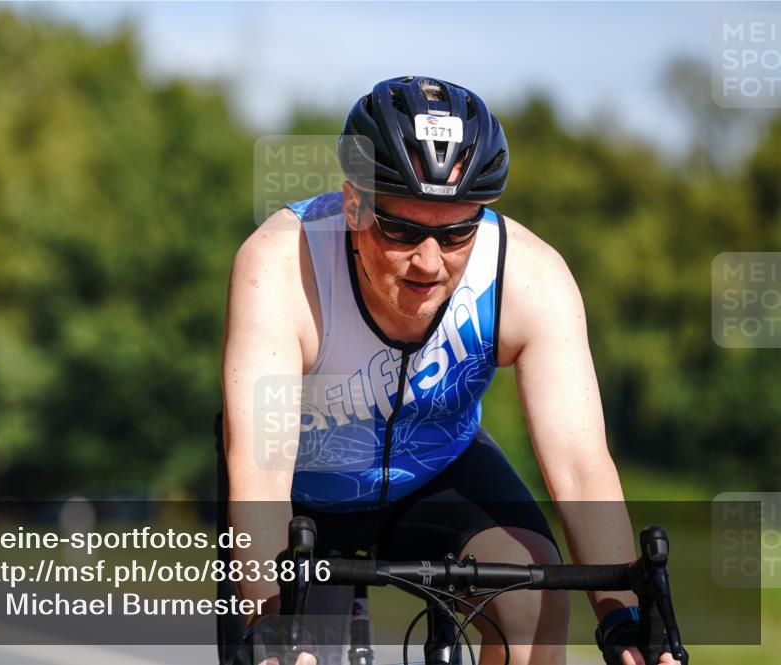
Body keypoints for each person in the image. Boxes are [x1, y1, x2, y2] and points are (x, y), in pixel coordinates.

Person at [219, 76, 681, 665]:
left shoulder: (528, 275)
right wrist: (273, 625)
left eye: (457, 231)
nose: (429, 263)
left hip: (439, 470)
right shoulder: (283, 264)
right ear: (354, 202)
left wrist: (627, 621)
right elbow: (259, 474)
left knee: (534, 606)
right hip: (301, 495)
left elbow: (581, 467)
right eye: (402, 230)